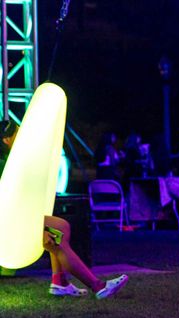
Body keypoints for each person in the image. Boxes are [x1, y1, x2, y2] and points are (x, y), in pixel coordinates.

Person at [0, 120, 129, 299]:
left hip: (17, 217)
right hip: (8, 223)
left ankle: (59, 282)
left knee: (61, 226)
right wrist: (35, 230)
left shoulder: (14, 160)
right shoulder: (4, 165)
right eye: (17, 133)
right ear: (6, 140)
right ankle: (99, 287)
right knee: (55, 240)